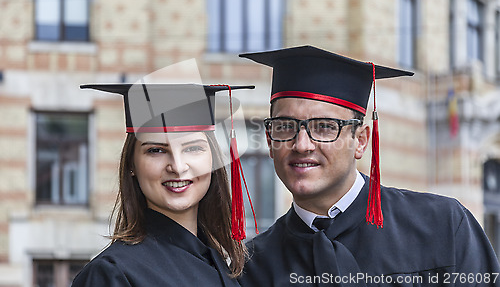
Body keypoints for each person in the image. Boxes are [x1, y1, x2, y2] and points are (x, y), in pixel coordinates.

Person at [238, 45, 500, 286]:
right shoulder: (253, 268)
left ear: (361, 141)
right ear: (271, 141)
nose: (302, 144)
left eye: (325, 127)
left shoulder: (442, 227)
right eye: (285, 127)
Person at [72, 83, 253, 287]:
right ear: (131, 163)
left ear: (213, 160)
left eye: (192, 148)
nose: (177, 166)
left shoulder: (224, 265)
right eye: (156, 150)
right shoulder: (111, 273)